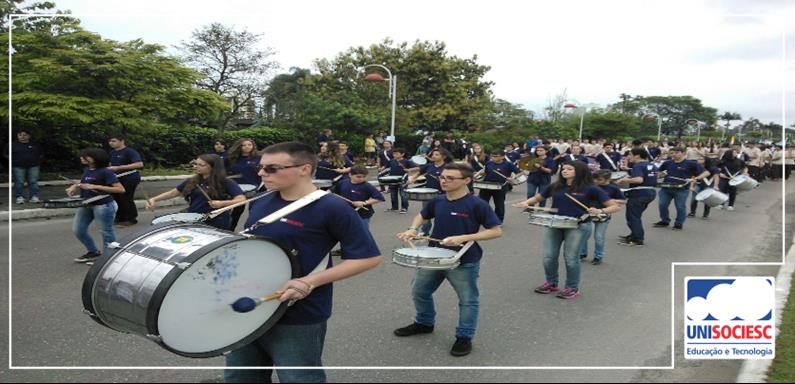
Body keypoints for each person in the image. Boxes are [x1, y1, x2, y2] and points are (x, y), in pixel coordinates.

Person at [224, 142, 381, 383]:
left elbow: (368, 257)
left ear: (304, 168)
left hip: (298, 313)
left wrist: (310, 281)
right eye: (261, 168)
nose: (261, 174)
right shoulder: (262, 199)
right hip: (252, 304)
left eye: (272, 168)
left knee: (299, 378)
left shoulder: (333, 207)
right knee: (240, 377)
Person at [394, 162, 503, 356]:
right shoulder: (438, 200)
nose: (444, 181)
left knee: (468, 300)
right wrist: (413, 229)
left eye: (450, 178)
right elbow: (422, 215)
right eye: (442, 177)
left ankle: (464, 337)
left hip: (463, 260)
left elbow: (495, 231)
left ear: (467, 180)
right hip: (434, 257)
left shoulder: (477, 204)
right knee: (419, 291)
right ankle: (424, 323)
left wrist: (464, 237)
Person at [513, 161, 618, 299]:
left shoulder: (591, 188)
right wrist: (526, 203)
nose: (564, 171)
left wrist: (600, 210)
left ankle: (572, 287)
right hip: (555, 223)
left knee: (571, 258)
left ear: (579, 171)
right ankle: (551, 283)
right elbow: (538, 197)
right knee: (548, 257)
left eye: (569, 169)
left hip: (578, 226)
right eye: (563, 168)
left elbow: (614, 206)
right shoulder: (556, 186)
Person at [145, 154, 245, 230]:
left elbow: (241, 199)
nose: (196, 166)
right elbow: (173, 193)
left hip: (216, 221)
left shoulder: (226, 182)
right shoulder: (193, 180)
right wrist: (154, 199)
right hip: (193, 218)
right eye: (195, 164)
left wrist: (222, 203)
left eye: (201, 165)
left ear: (212, 167)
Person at [68, 148, 125, 264]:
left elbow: (120, 189)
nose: (82, 158)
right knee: (78, 230)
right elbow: (84, 181)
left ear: (94, 158)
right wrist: (74, 186)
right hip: (87, 204)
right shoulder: (87, 170)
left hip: (104, 205)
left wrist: (95, 187)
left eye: (85, 156)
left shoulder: (105, 171)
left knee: (106, 231)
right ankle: (93, 252)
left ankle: (108, 258)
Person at [652, 147, 710, 231]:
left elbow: (706, 173)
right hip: (666, 187)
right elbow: (659, 173)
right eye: (672, 153)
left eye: (676, 152)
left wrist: (695, 179)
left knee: (680, 207)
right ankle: (665, 221)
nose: (674, 154)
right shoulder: (667, 163)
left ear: (683, 153)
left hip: (682, 189)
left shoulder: (691, 163)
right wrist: (657, 175)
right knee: (662, 204)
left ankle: (678, 223)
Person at [577, 169, 625, 265]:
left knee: (599, 237)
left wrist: (610, 200)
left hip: (603, 215)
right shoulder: (591, 186)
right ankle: (582, 253)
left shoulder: (613, 188)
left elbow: (623, 201)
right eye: (594, 179)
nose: (596, 181)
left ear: (608, 179)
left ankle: (598, 256)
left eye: (599, 179)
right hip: (588, 214)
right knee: (584, 235)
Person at [615, 149, 658, 247]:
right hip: (650, 192)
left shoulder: (637, 166)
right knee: (636, 216)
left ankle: (638, 239)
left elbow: (639, 179)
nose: (628, 157)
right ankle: (634, 235)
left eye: (630, 155)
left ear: (637, 156)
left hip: (640, 193)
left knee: (632, 217)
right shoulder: (652, 165)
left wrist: (625, 179)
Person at [331, 166, 385, 232]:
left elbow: (379, 198)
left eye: (364, 177)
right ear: (350, 175)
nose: (362, 179)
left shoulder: (367, 186)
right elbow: (332, 191)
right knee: (346, 233)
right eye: (359, 177)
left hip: (362, 215)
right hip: (345, 214)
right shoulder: (343, 183)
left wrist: (364, 202)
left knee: (362, 233)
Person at [408, 148, 449, 233]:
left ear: (444, 157)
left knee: (441, 215)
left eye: (437, 154)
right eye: (433, 154)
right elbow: (419, 172)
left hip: (443, 194)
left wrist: (441, 180)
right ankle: (424, 232)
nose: (433, 156)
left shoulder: (448, 167)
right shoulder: (429, 166)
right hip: (428, 194)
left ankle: (441, 232)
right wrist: (413, 178)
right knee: (425, 214)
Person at [107, 134, 144, 226]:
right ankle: (120, 217)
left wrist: (119, 167)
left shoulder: (130, 152)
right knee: (116, 198)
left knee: (126, 197)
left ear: (122, 141)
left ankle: (131, 218)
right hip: (117, 178)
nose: (111, 143)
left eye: (114, 141)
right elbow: (110, 165)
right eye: (110, 141)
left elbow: (139, 164)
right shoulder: (112, 153)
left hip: (129, 177)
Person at [476, 150, 520, 223]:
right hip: (487, 185)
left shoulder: (508, 164)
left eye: (496, 156)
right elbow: (485, 172)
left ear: (502, 157)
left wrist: (513, 178)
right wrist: (477, 175)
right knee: (483, 203)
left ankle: (498, 220)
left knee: (499, 205)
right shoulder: (489, 163)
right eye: (492, 156)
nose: (493, 158)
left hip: (501, 186)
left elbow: (519, 173)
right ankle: (482, 218)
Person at [228, 138, 261, 231]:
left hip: (255, 188)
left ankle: (251, 230)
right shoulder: (232, 158)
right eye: (244, 145)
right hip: (236, 189)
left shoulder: (258, 158)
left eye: (249, 145)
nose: (247, 147)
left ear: (253, 146)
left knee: (254, 211)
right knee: (237, 210)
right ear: (239, 147)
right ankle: (231, 229)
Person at [11, 129, 43, 204]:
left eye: (24, 135)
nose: (22, 137)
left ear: (29, 136)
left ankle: (34, 197)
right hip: (18, 166)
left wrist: (37, 162)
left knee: (33, 182)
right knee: (19, 182)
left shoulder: (35, 145)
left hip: (33, 166)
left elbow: (41, 154)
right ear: (17, 136)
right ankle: (19, 197)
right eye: (20, 135)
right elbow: (7, 155)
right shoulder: (12, 145)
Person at [384, 148, 415, 214]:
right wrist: (381, 168)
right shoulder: (391, 161)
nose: (395, 155)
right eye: (394, 154)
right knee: (393, 194)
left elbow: (417, 167)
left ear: (402, 154)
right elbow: (386, 167)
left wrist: (408, 170)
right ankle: (394, 207)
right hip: (392, 180)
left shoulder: (406, 161)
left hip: (403, 180)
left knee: (403, 194)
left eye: (397, 154)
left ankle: (404, 208)